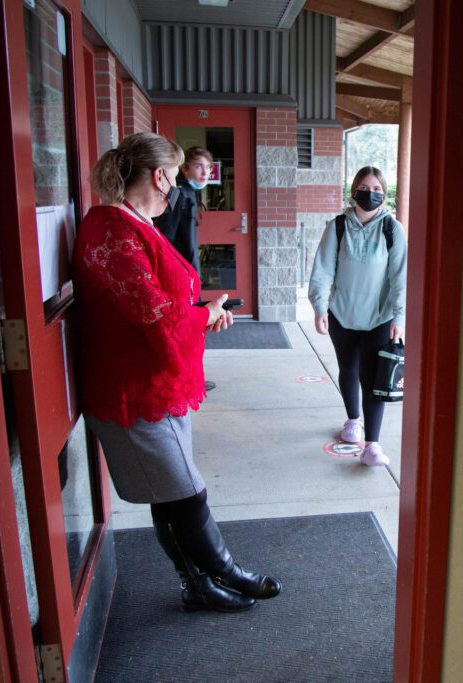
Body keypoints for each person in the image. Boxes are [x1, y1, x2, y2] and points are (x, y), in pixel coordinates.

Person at [74, 132, 281, 612]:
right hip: (134, 391)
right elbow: (157, 317)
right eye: (174, 174)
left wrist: (205, 311)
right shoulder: (114, 231)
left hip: (153, 384)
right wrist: (203, 315)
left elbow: (161, 304)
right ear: (161, 175)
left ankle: (197, 585)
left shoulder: (130, 223)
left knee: (167, 493)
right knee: (186, 492)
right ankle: (225, 571)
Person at [308, 166, 407, 467]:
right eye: (365, 188)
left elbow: (400, 277)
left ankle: (372, 445)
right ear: (354, 191)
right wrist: (319, 307)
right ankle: (353, 421)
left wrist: (400, 318)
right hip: (342, 315)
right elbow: (323, 269)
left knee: (373, 378)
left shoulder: (392, 229)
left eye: (378, 189)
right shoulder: (337, 226)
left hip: (380, 319)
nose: (371, 194)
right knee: (348, 370)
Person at [154, 145, 218, 391]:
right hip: (179, 273)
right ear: (185, 168)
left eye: (208, 167)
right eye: (199, 166)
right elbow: (168, 238)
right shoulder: (179, 194)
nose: (205, 172)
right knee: (188, 328)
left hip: (188, 271)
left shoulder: (190, 193)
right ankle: (188, 379)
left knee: (194, 328)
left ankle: (194, 377)